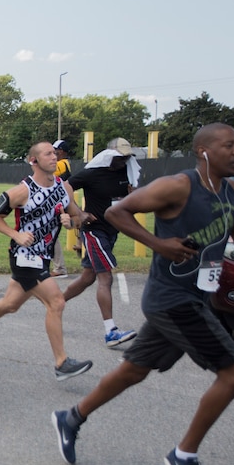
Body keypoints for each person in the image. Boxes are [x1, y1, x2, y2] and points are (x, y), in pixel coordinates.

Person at [51, 124, 234, 465]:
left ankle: (71, 417)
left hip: (197, 297)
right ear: (204, 151)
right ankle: (184, 455)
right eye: (228, 145)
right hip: (172, 299)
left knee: (133, 370)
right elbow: (119, 212)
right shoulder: (179, 186)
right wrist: (159, 244)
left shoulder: (233, 191)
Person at [0, 141, 94, 381]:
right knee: (56, 302)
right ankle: (61, 362)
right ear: (34, 161)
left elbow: (78, 216)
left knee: (10, 304)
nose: (54, 156)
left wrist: (72, 220)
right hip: (24, 255)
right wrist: (15, 235)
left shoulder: (63, 188)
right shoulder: (21, 191)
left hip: (44, 256)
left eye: (54, 153)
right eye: (48, 153)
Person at [62, 137, 142, 348]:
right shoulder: (93, 172)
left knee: (88, 277)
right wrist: (78, 212)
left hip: (112, 230)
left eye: (126, 158)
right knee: (105, 277)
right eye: (119, 157)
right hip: (94, 231)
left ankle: (55, 304)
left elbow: (131, 198)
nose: (122, 161)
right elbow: (66, 186)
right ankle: (111, 332)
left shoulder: (127, 172)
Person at [51, 139, 74, 276]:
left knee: (51, 234)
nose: (54, 152)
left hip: (58, 203)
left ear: (63, 152)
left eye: (56, 150)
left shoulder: (62, 163)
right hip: (57, 201)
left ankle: (59, 268)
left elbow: (46, 172)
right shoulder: (60, 163)